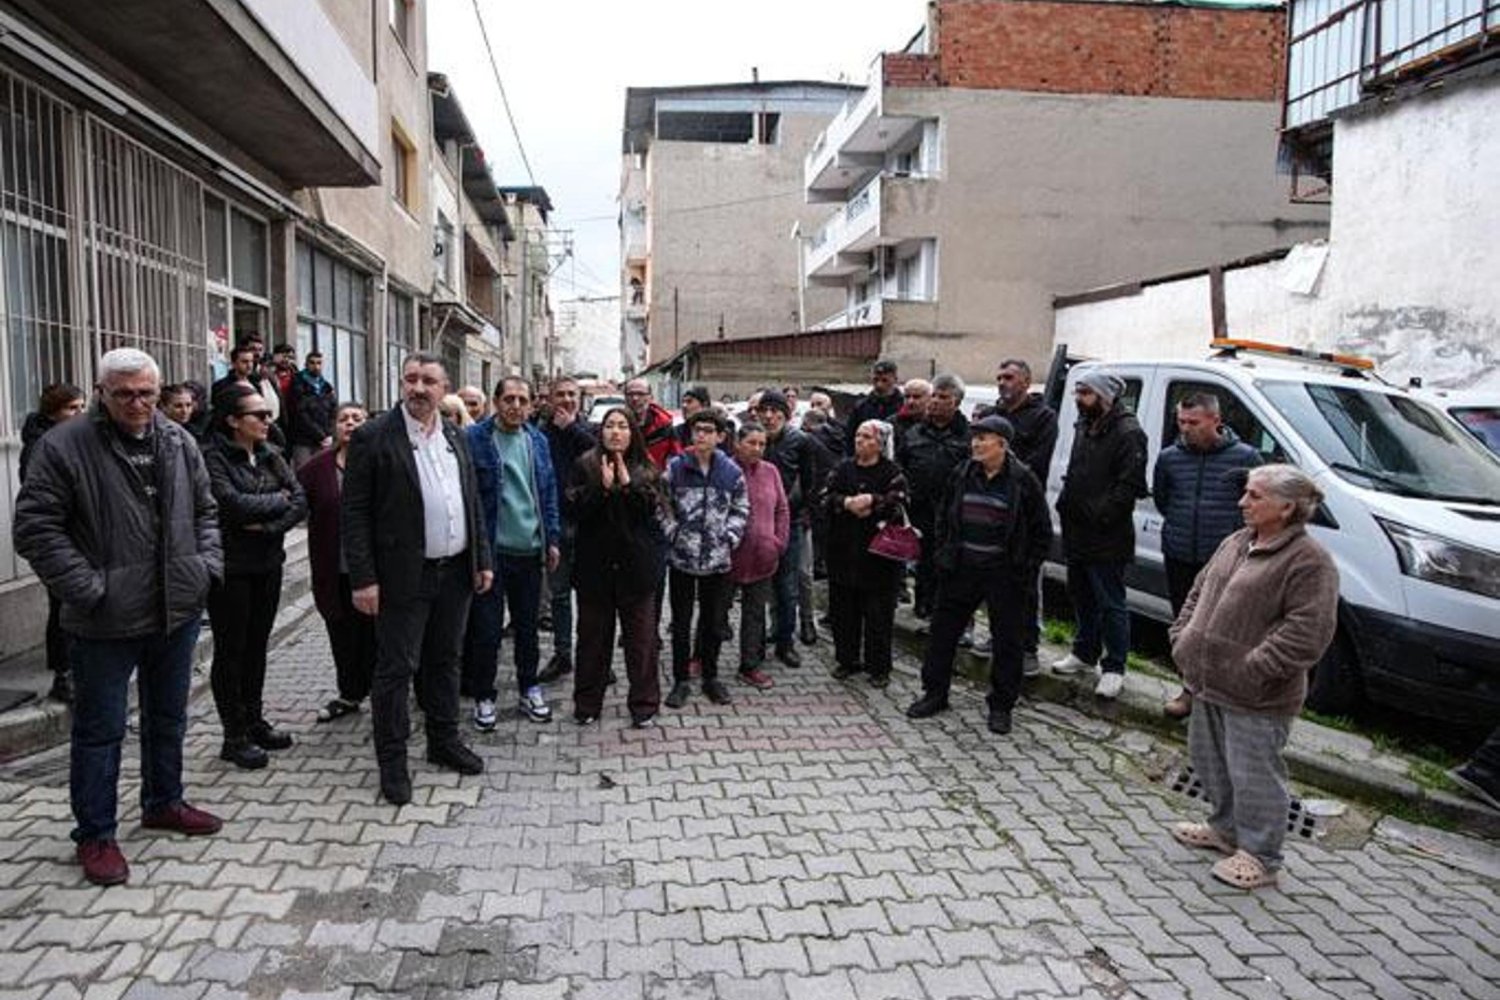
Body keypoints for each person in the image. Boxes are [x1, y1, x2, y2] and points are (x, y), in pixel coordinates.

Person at [14, 348, 224, 886]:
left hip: (174, 608)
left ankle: (163, 801)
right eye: (125, 393)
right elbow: (37, 527)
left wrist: (204, 567)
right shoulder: (64, 445)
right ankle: (96, 834)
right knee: (100, 731)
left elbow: (205, 510)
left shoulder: (178, 441)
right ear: (102, 391)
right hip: (105, 619)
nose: (138, 403)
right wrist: (87, 588)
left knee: (169, 717)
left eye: (147, 393)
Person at [1168, 464, 1338, 889]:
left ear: (1286, 507)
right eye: (1246, 493)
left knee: (1255, 775)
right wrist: (1183, 638)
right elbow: (1199, 588)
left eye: (1254, 496)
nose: (1243, 502)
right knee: (1211, 762)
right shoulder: (1237, 541)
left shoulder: (1310, 561)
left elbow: (1308, 632)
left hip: (1256, 694)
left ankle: (1262, 857)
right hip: (1207, 682)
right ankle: (1225, 831)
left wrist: (1255, 669)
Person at [342, 351, 493, 806]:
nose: (419, 388)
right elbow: (354, 513)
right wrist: (363, 579)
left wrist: (482, 559)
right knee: (396, 669)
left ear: (443, 387)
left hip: (455, 572)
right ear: (402, 383)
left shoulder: (453, 434)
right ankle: (393, 763)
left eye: (429, 380)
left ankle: (443, 741)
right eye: (411, 379)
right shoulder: (373, 436)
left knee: (445, 660)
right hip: (401, 577)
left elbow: (471, 501)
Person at [905, 416, 1052, 734]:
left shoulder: (1023, 479)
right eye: (974, 438)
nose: (975, 444)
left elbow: (1041, 531)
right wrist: (945, 551)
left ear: (1002, 443)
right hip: (962, 567)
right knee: (943, 633)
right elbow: (944, 513)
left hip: (1004, 573)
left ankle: (1001, 706)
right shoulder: (962, 473)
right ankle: (935, 693)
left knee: (1007, 641)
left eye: (983, 438)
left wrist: (1024, 568)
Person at [203, 384, 307, 769]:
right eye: (259, 415)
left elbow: (299, 500)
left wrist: (265, 526)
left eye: (268, 414)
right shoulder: (213, 457)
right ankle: (234, 734)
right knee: (232, 651)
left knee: (257, 647)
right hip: (232, 569)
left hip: (267, 562)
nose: (267, 421)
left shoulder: (270, 454)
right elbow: (230, 504)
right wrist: (274, 502)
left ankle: (254, 719)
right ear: (233, 420)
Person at [1153, 393, 1263, 718]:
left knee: (1219, 628)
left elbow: (1256, 503)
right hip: (1180, 551)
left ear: (1215, 421)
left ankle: (1216, 695)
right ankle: (1188, 689)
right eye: (1182, 422)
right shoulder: (1170, 458)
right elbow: (1164, 498)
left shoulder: (1246, 457)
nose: (1186, 429)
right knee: (1186, 626)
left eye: (1194, 423)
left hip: (1225, 558)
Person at [463, 377, 561, 729]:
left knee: (527, 628)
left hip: (529, 552)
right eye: (509, 399)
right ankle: (484, 695)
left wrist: (552, 538)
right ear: (495, 401)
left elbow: (548, 492)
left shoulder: (537, 441)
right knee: (486, 630)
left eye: (523, 400)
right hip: (491, 554)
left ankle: (529, 687)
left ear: (532, 404)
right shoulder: (474, 439)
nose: (516, 406)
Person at [567, 406, 669, 727]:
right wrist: (601, 489)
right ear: (601, 432)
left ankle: (644, 706)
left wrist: (627, 487)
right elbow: (575, 510)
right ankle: (587, 705)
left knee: (641, 643)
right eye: (609, 425)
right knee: (592, 642)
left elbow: (652, 514)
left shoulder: (647, 468)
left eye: (622, 426)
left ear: (632, 433)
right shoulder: (585, 465)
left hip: (636, 571)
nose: (615, 432)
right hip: (594, 571)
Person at [1053, 370, 1148, 699]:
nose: (1079, 399)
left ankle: (1114, 667)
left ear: (1105, 396)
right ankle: (1084, 652)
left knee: (1111, 602)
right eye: (1077, 392)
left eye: (1085, 393)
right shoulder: (1084, 423)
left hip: (1107, 534)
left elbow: (1129, 486)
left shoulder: (1128, 432)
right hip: (1077, 529)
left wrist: (1101, 515)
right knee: (1081, 595)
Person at [663, 411, 749, 710]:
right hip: (682, 560)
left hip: (718, 561)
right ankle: (681, 679)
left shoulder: (731, 472)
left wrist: (729, 537)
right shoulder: (675, 468)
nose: (701, 435)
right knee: (682, 622)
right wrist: (673, 533)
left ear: (721, 437)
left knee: (713, 622)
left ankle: (711, 676)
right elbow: (662, 506)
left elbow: (741, 509)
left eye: (708, 430)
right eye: (697, 430)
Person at [298, 403, 376, 725]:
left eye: (358, 419)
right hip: (334, 568)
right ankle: (349, 694)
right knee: (342, 635)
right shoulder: (317, 469)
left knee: (376, 637)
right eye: (344, 419)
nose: (350, 424)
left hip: (374, 570)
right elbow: (295, 504)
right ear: (334, 427)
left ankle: (384, 694)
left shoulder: (380, 462)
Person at [984, 358, 1059, 675]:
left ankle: (1028, 646)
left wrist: (1003, 468)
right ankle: (996, 634)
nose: (1003, 382)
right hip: (991, 509)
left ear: (1027, 382)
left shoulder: (1044, 418)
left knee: (1026, 584)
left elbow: (1037, 463)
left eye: (1010, 377)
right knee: (993, 579)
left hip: (1025, 513)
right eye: (999, 377)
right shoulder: (993, 416)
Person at [825, 420, 909, 688]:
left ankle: (879, 668)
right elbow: (824, 496)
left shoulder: (892, 472)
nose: (860, 440)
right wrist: (846, 502)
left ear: (880, 443)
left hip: (879, 558)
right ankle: (847, 660)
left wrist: (874, 501)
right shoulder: (843, 467)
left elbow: (900, 504)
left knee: (878, 616)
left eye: (867, 437)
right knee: (843, 613)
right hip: (844, 553)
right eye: (858, 435)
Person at [19, 383, 87, 704]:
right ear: (53, 412)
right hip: (61, 537)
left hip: (79, 534)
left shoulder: (75, 439)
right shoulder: (42, 446)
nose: (79, 414)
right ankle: (64, 674)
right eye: (72, 409)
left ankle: (71, 669)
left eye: (82, 407)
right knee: (61, 605)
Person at [537, 376, 596, 685]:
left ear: (580, 398)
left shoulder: (591, 431)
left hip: (589, 528)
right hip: (557, 527)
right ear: (549, 399)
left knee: (590, 597)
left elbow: (599, 457)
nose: (566, 400)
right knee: (559, 595)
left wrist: (571, 428)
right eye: (560, 394)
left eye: (572, 394)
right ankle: (563, 655)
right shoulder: (539, 434)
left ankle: (593, 656)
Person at [897, 374, 970, 620]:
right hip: (920, 507)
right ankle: (922, 603)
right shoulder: (915, 433)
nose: (936, 401)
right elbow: (901, 465)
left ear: (956, 402)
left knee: (949, 561)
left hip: (954, 511)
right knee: (923, 558)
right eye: (935, 395)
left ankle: (947, 609)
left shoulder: (968, 435)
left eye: (943, 397)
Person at [758, 389, 816, 665]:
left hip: (788, 522)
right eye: (764, 411)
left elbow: (809, 481)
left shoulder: (801, 441)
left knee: (787, 585)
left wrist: (799, 510)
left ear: (786, 414)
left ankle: (786, 642)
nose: (769, 416)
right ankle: (756, 641)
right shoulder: (751, 440)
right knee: (758, 586)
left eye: (775, 411)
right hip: (755, 523)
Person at [729, 421, 789, 689]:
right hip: (728, 557)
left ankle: (749, 665)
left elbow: (782, 510)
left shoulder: (771, 471)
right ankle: (701, 657)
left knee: (754, 614)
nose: (757, 449)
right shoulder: (726, 470)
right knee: (716, 612)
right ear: (737, 444)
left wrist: (778, 542)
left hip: (764, 556)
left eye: (762, 444)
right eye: (751, 443)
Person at [288, 350, 337, 469]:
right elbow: (300, 413)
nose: (316, 366)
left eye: (319, 363)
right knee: (303, 473)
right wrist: (321, 435)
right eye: (312, 363)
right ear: (306, 364)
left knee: (321, 474)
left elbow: (333, 411)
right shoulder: (297, 382)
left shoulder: (326, 386)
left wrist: (329, 434)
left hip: (324, 440)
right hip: (303, 439)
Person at [624, 378, 682, 470]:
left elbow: (677, 456)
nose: (635, 398)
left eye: (640, 394)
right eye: (630, 394)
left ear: (651, 397)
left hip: (657, 480)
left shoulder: (665, 426)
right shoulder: (617, 426)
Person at [846, 360, 902, 453]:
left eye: (884, 380)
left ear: (895, 379)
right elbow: (850, 438)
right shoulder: (861, 407)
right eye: (876, 380)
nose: (879, 385)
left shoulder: (903, 406)